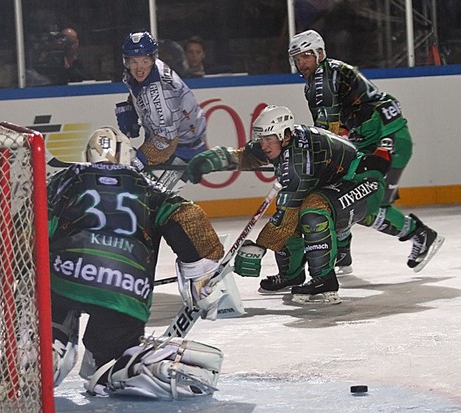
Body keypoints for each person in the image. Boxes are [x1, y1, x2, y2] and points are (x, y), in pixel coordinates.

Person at [48, 126, 225, 398]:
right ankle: (134, 366)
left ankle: (50, 349)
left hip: (64, 279)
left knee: (51, 317)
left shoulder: (69, 177)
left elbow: (33, 221)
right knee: (111, 357)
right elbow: (187, 216)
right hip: (125, 289)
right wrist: (200, 275)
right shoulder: (147, 186)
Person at [183, 105, 423, 304]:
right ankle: (291, 276)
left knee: (312, 211)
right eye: (262, 138)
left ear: (285, 135)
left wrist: (258, 248)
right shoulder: (282, 141)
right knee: (298, 213)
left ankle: (324, 282)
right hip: (340, 184)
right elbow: (244, 156)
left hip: (364, 181)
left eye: (269, 139)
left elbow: (286, 216)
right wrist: (211, 159)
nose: (264, 145)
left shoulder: (299, 159)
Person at [287, 29, 444, 278]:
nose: (301, 63)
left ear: (320, 54)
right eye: (297, 58)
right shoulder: (323, 76)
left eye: (306, 56)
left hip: (387, 139)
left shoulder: (322, 81)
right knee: (346, 193)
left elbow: (326, 132)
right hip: (372, 140)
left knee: (368, 203)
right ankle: (342, 252)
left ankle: (419, 233)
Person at [115, 31, 207, 172]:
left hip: (183, 150)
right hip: (167, 137)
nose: (139, 68)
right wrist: (132, 107)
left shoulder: (162, 93)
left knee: (149, 190)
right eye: (134, 61)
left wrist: (137, 159)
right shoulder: (140, 71)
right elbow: (139, 91)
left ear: (152, 59)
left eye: (144, 61)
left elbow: (166, 141)